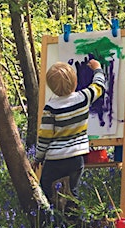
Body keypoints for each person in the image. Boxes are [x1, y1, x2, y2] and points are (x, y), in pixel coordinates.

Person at [32, 59, 106, 207]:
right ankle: (75, 222)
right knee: (72, 192)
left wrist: (38, 158)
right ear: (75, 81)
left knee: (48, 191)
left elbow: (45, 137)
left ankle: (52, 220)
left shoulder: (50, 107)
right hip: (76, 159)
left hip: (55, 160)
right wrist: (97, 69)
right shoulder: (83, 97)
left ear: (51, 87)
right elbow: (99, 86)